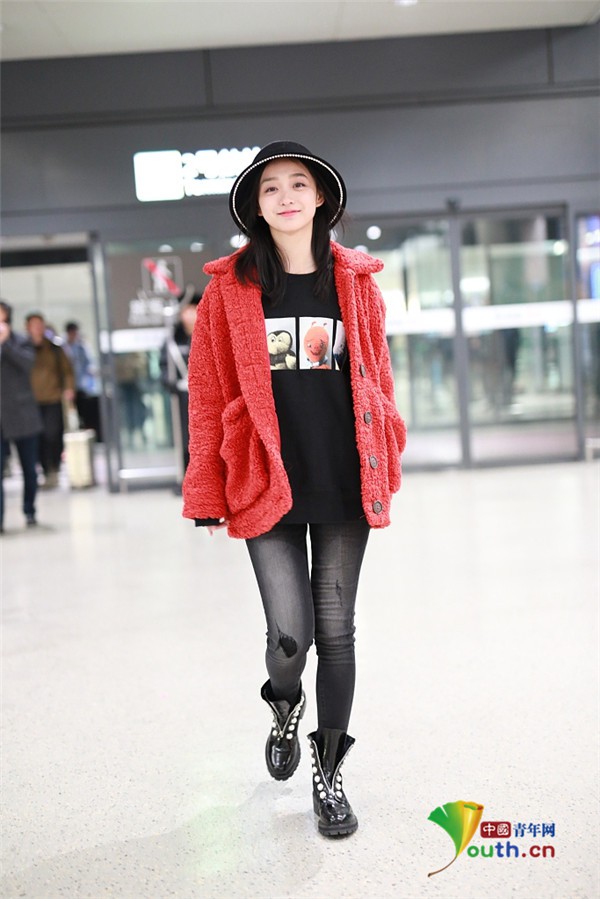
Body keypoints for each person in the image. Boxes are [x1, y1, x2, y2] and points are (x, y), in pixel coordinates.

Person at [182, 141, 407, 838]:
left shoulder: (356, 282)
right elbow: (207, 393)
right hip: (264, 477)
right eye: (271, 187)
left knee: (336, 632)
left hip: (342, 476)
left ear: (320, 198)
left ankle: (329, 774)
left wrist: (388, 449)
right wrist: (206, 487)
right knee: (291, 637)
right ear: (256, 205)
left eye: (298, 183)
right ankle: (285, 705)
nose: (285, 196)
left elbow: (378, 377)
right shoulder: (230, 288)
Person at [0, 301, 43, 531]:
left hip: (22, 414)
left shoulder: (20, 341)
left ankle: (29, 510)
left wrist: (5, 343)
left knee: (29, 469)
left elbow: (27, 364)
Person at [25, 312, 75, 489]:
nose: (38, 328)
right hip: (30, 401)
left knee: (53, 434)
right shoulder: (22, 349)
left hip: (52, 398)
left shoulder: (55, 349)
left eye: (40, 324)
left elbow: (67, 370)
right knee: (37, 438)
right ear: (27, 327)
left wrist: (69, 388)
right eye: (34, 325)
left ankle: (54, 467)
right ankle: (46, 470)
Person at [160, 286, 202, 486]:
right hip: (183, 398)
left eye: (193, 309)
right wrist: (171, 384)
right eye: (186, 310)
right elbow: (164, 366)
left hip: (206, 397)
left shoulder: (208, 334)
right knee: (185, 438)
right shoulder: (173, 340)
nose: (190, 315)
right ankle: (187, 479)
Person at [64, 321, 101, 437]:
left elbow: (90, 363)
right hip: (68, 386)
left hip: (81, 384)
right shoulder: (63, 347)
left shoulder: (81, 346)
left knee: (84, 410)